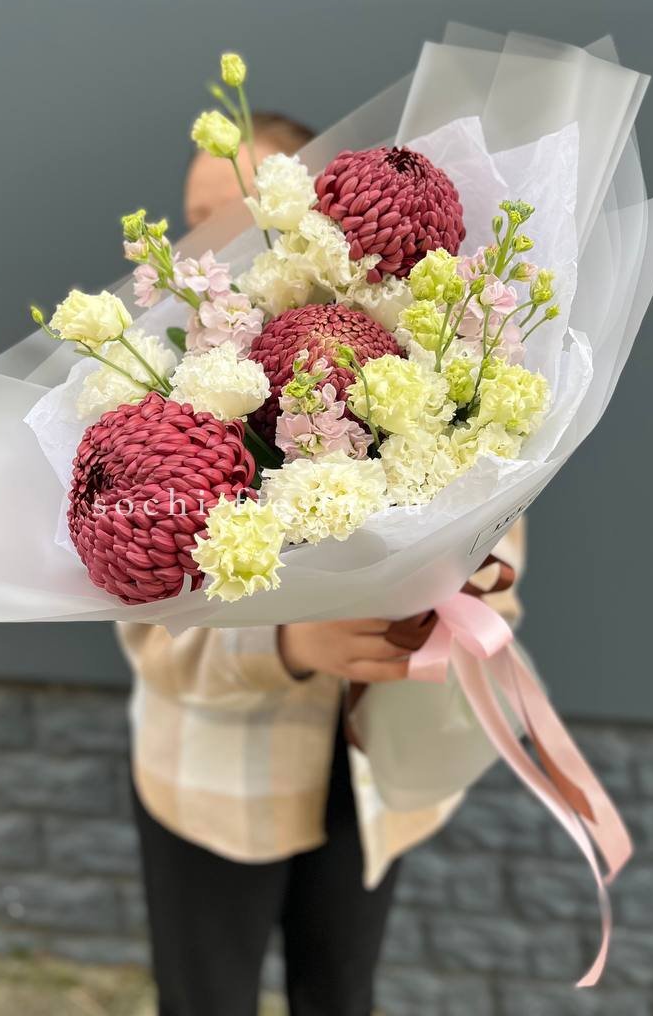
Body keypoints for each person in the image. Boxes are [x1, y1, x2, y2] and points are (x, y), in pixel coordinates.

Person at [118, 115, 524, 1016]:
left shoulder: (438, 361)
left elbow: (499, 575)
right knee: (204, 999)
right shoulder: (156, 397)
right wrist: (286, 644)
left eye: (243, 213)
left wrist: (447, 600)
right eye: (198, 218)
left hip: (369, 772)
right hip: (214, 778)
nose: (216, 239)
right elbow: (148, 637)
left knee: (341, 993)